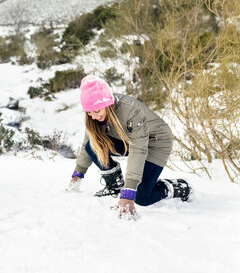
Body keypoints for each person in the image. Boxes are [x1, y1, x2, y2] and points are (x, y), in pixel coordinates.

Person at [66, 75, 191, 216]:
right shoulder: (95, 117)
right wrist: (78, 173)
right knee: (92, 146)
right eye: (89, 112)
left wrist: (128, 192)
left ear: (107, 104)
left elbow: (139, 149)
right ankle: (115, 185)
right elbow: (87, 142)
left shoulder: (130, 110)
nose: (94, 116)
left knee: (142, 197)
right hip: (130, 141)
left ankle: (181, 187)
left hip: (156, 142)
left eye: (97, 111)